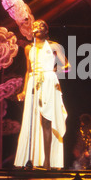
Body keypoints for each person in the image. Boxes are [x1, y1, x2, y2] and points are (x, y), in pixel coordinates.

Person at [14, 20, 70, 169]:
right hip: (33, 82)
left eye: (41, 26)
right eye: (34, 26)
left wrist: (55, 70)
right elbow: (28, 70)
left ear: (46, 30)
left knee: (47, 119)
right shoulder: (28, 48)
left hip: (48, 81)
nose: (37, 28)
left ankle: (47, 162)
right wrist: (25, 90)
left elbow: (67, 66)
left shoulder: (53, 46)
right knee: (31, 120)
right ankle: (30, 159)